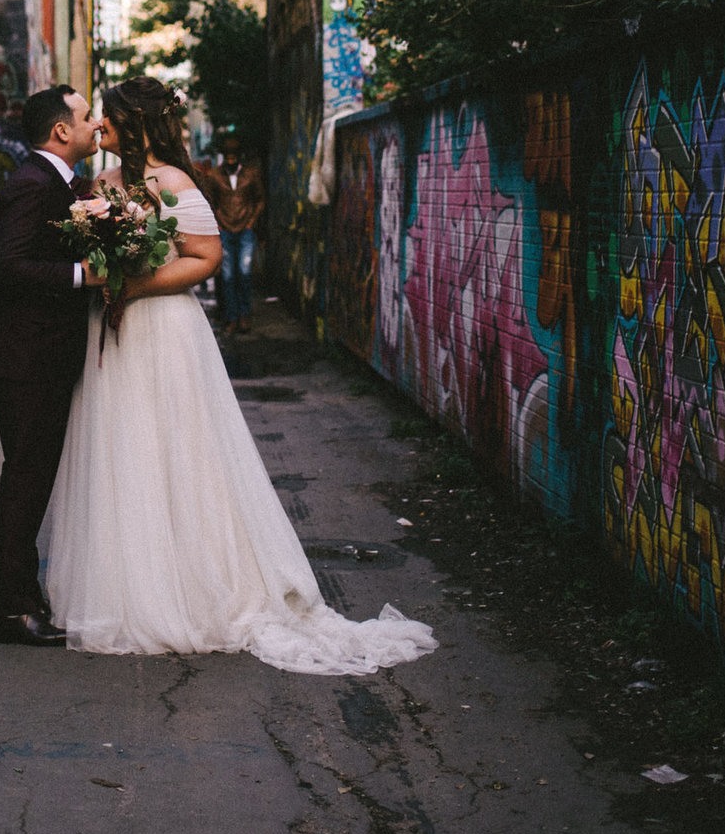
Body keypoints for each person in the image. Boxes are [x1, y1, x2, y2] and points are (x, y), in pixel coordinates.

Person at [39, 76, 437, 675]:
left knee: (178, 453)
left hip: (164, 332)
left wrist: (135, 283)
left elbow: (207, 258)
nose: (102, 125)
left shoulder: (174, 184)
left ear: (136, 124)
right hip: (114, 334)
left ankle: (194, 587)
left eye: (111, 117)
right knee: (122, 452)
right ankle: (131, 584)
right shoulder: (105, 185)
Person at [0, 85, 102, 647]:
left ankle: (23, 598)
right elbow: (11, 267)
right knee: (25, 481)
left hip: (40, 355)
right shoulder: (31, 184)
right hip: (26, 357)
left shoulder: (58, 182)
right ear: (61, 131)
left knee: (32, 479)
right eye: (86, 116)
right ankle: (11, 612)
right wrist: (84, 275)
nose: (95, 124)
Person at [211, 133, 266, 333]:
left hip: (245, 230)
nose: (231, 158)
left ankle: (244, 315)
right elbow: (210, 201)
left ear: (239, 156)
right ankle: (232, 317)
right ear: (224, 156)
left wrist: (252, 221)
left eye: (234, 155)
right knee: (227, 276)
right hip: (224, 230)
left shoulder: (250, 174)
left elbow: (260, 199)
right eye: (228, 155)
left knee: (243, 273)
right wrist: (216, 224)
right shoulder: (214, 176)